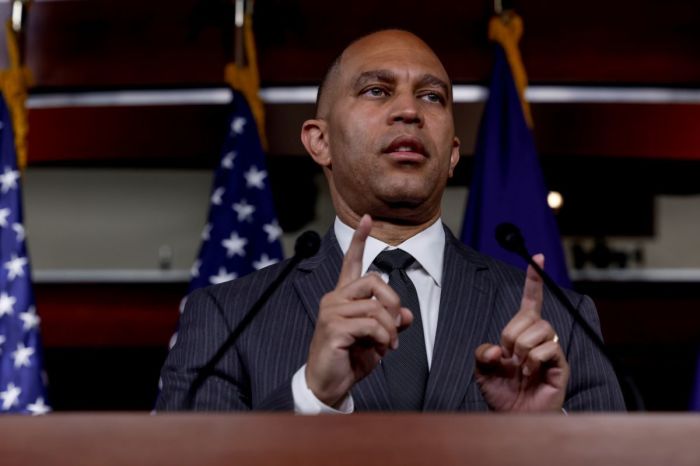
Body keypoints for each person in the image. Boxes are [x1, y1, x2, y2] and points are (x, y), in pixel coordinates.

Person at [157, 30, 625, 412]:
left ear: (452, 156)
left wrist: (543, 440)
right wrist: (313, 397)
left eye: (432, 97)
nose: (409, 111)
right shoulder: (225, 318)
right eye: (377, 90)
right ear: (319, 142)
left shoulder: (563, 318)